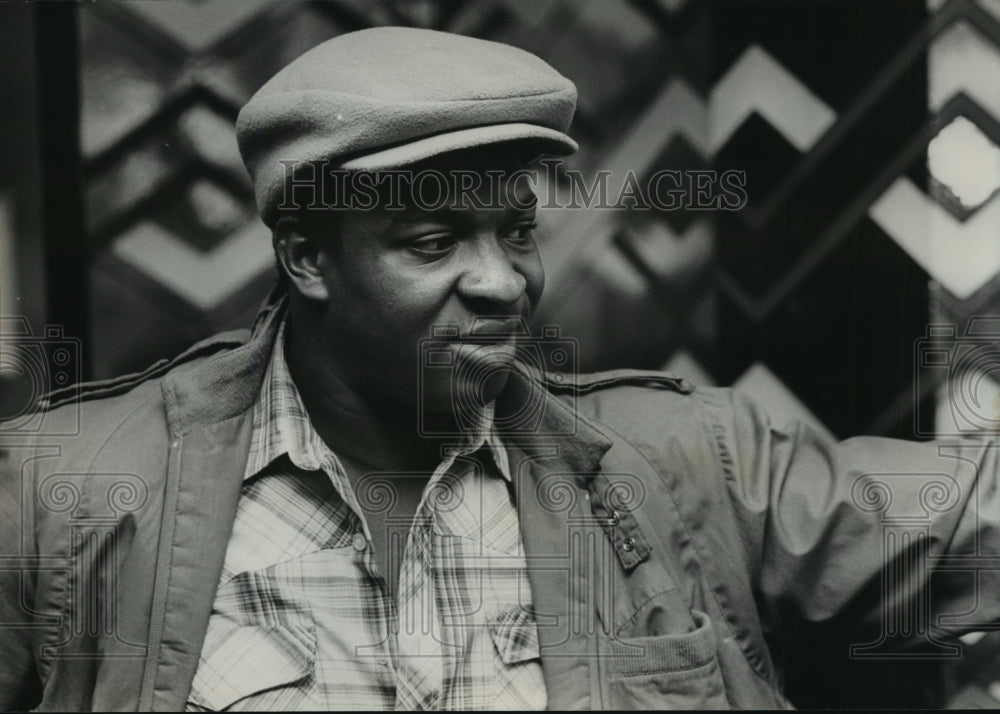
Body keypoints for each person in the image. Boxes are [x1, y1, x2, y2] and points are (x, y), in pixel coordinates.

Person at [1, 26, 999, 711]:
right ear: (307, 258)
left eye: (515, 230)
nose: (503, 281)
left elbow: (969, 526)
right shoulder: (64, 497)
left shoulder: (684, 466)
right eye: (433, 242)